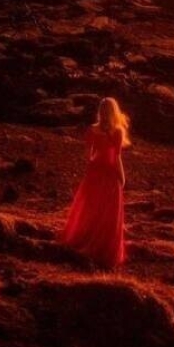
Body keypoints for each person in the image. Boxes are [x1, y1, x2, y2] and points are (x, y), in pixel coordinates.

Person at [60, 97, 129, 269]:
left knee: (91, 208)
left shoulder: (92, 130)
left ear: (100, 111)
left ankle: (86, 238)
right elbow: (117, 158)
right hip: (110, 172)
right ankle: (104, 248)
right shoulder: (117, 131)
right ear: (114, 112)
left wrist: (93, 165)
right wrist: (122, 177)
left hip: (95, 171)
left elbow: (88, 156)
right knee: (109, 212)